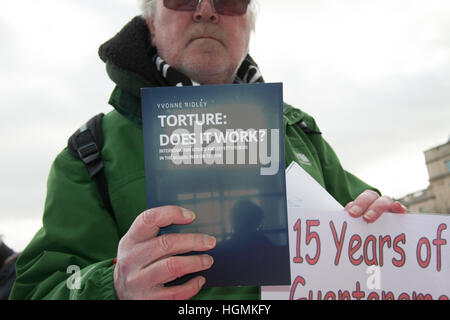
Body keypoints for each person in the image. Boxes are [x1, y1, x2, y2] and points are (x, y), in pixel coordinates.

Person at [9, 0, 408, 300]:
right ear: (150, 22)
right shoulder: (88, 153)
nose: (206, 10)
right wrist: (112, 285)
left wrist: (384, 230)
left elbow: (373, 250)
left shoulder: (300, 133)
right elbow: (35, 289)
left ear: (248, 25)